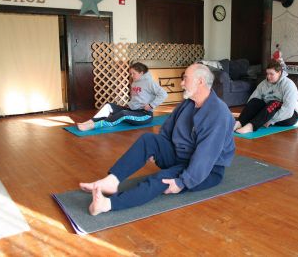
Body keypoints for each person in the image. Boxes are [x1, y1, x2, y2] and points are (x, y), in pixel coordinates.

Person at [79, 63, 235, 215]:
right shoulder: (188, 103)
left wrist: (183, 182)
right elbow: (168, 128)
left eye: (185, 78)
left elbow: (205, 156)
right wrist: (158, 149)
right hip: (180, 155)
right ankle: (112, 181)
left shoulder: (218, 113)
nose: (181, 83)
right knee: (148, 139)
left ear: (200, 81)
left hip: (207, 170)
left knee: (160, 179)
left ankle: (107, 204)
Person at [77, 62, 168, 131]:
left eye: (134, 73)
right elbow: (137, 98)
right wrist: (130, 104)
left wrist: (151, 105)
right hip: (132, 110)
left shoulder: (150, 82)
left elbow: (163, 94)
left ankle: (93, 126)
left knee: (123, 113)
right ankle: (91, 121)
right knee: (109, 106)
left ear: (141, 72)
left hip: (144, 115)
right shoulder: (135, 82)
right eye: (130, 74)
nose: (131, 76)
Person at [234, 59, 298, 134]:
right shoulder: (263, 84)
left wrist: (271, 120)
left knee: (274, 103)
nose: (268, 76)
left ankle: (251, 127)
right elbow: (252, 100)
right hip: (269, 112)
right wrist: (249, 115)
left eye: (271, 74)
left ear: (279, 73)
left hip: (289, 116)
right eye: (267, 73)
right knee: (254, 100)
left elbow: (288, 110)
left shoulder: (289, 85)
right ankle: (240, 122)